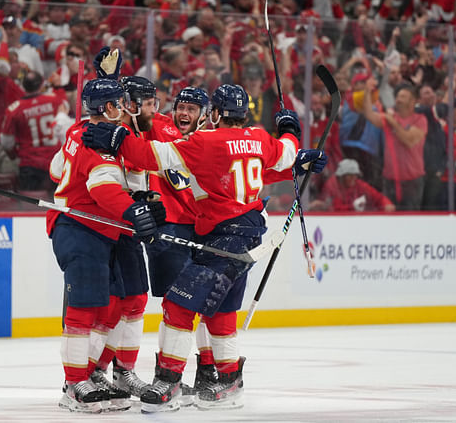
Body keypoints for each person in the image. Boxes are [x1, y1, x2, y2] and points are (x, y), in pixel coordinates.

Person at [80, 83, 327, 412]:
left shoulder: (206, 141)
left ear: (213, 114)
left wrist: (116, 140)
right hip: (248, 231)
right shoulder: (260, 138)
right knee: (222, 312)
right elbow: (285, 153)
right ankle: (228, 380)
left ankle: (168, 381)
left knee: (178, 305)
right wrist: (290, 130)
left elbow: (148, 156)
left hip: (226, 237)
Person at [47, 78, 163, 413]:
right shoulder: (97, 141)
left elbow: (57, 170)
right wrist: (132, 210)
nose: (128, 106)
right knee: (87, 307)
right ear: (109, 108)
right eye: (121, 101)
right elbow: (102, 188)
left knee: (130, 299)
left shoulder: (93, 130)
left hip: (110, 227)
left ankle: (113, 372)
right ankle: (74, 383)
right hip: (81, 225)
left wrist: (141, 200)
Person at [144, 86, 220, 405]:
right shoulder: (161, 127)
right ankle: (168, 375)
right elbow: (136, 114)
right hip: (170, 226)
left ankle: (207, 370)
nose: (184, 113)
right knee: (177, 303)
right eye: (181, 107)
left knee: (204, 303)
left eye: (192, 109)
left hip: (205, 228)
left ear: (204, 115)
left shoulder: (215, 142)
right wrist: (111, 82)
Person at [363, 81, 427, 210]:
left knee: (410, 219)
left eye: (403, 97)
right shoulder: (390, 118)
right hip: (390, 179)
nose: (398, 99)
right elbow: (369, 115)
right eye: (397, 96)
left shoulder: (420, 120)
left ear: (412, 101)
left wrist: (393, 123)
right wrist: (366, 93)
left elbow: (409, 141)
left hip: (412, 181)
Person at [0, 71, 68, 192]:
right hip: (55, 163)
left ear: (23, 86)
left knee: (31, 205)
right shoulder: (55, 100)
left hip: (29, 165)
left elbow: (6, 142)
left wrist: (13, 155)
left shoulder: (14, 109)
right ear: (41, 84)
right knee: (57, 206)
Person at [310, 158, 395, 212]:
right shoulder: (332, 186)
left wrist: (386, 204)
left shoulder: (359, 185)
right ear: (341, 176)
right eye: (349, 175)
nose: (353, 178)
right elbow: (331, 207)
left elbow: (378, 197)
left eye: (355, 175)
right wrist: (353, 207)